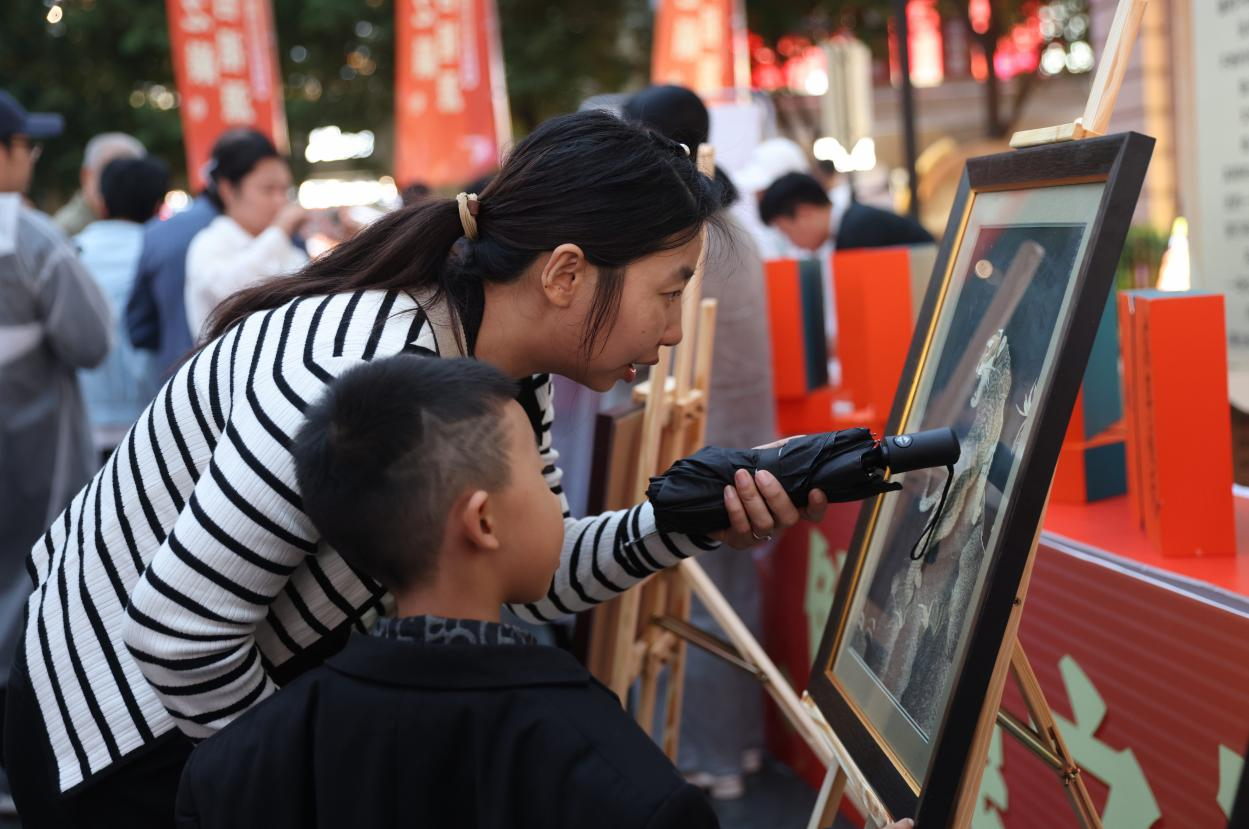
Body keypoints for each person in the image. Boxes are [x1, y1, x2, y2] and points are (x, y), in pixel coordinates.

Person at [7, 109, 828, 826]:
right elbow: (178, 634)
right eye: (668, 290)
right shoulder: (355, 369)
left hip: (219, 717)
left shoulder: (498, 362)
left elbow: (533, 564)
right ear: (567, 273)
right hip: (124, 738)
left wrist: (680, 520)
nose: (674, 331)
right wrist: (294, 784)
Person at [176, 355, 720, 828]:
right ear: (482, 521)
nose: (555, 500)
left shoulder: (233, 765)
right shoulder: (619, 780)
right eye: (537, 472)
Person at [622, 83, 776, 799]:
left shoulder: (684, 231)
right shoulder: (733, 222)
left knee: (693, 602)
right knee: (727, 597)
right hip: (740, 443)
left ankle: (705, 754)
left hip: (694, 443)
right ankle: (734, 747)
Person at [0, 90, 111, 808]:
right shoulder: (28, 239)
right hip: (30, 469)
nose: (32, 158)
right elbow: (90, 342)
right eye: (25, 145)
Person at [76, 156, 170, 452]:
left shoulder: (71, 251)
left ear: (101, 201)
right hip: (154, 423)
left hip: (85, 421)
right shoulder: (164, 254)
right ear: (158, 205)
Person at [183, 129, 307, 339]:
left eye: (284, 190)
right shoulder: (209, 243)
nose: (280, 201)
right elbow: (235, 290)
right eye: (268, 190)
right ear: (228, 190)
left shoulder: (287, 246)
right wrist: (280, 229)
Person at [759, 171, 934, 252]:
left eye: (787, 232)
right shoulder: (852, 224)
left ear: (804, 213)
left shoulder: (857, 232)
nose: (792, 243)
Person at [52, 132, 146, 237]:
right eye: (110, 174)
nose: (121, 185)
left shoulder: (147, 224)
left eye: (131, 177)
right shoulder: (64, 231)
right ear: (86, 176)